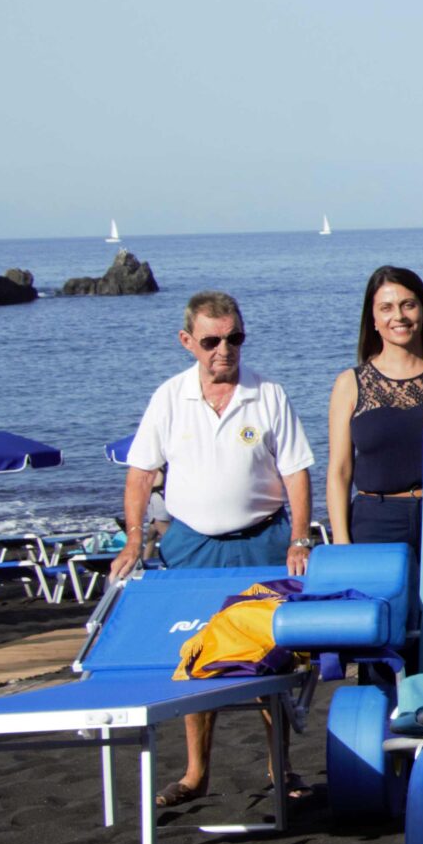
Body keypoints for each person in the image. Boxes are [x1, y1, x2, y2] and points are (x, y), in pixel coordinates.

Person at [115, 291, 317, 809]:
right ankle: (195, 773)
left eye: (234, 338)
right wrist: (135, 537)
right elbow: (141, 474)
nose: (224, 350)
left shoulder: (268, 393)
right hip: (192, 546)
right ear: (188, 342)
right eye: (211, 341)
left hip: (263, 540)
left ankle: (280, 766)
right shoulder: (168, 397)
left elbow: (296, 471)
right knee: (197, 658)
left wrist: (300, 537)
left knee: (270, 658)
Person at [326, 266, 423, 562]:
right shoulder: (349, 384)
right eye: (386, 308)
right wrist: (341, 542)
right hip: (375, 524)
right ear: (374, 319)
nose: (399, 316)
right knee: (379, 608)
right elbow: (340, 472)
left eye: (408, 305)